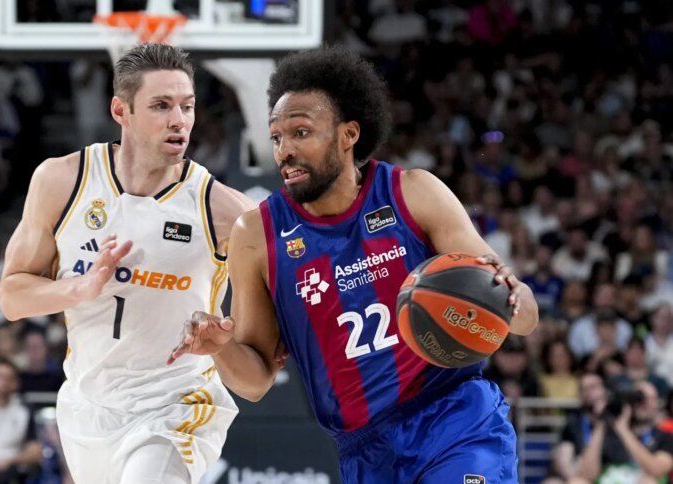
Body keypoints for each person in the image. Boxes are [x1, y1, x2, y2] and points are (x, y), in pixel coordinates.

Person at [168, 47, 539, 483]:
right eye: (276, 138)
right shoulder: (257, 235)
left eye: (301, 132)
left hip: (454, 418)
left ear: (348, 134)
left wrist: (508, 297)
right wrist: (221, 348)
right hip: (364, 451)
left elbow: (525, 318)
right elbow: (255, 381)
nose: (285, 150)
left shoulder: (413, 193)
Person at [0, 43, 252, 484]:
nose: (179, 120)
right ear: (121, 110)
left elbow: (299, 272)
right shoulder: (62, 181)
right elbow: (11, 297)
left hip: (176, 401)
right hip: (88, 405)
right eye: (161, 105)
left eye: (187, 106)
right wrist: (77, 289)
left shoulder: (225, 210)